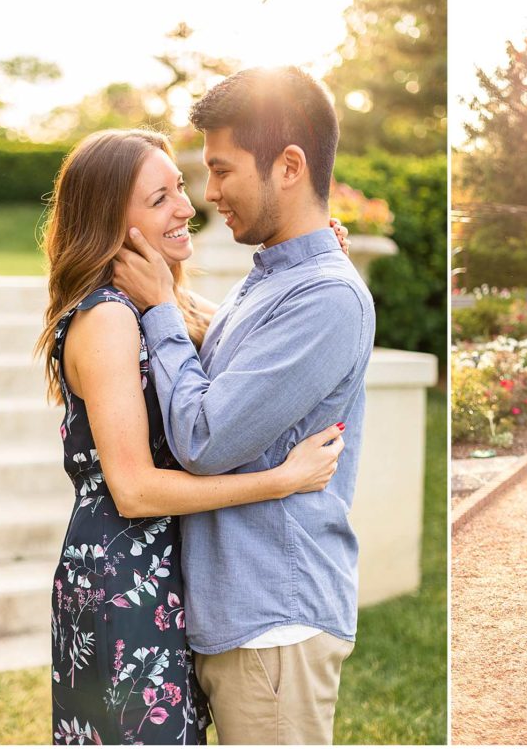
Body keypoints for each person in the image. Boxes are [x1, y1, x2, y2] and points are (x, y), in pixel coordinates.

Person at [36, 129, 351, 744]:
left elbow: (233, 329)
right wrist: (280, 480)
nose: (186, 206)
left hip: (165, 580)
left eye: (178, 188)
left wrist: (310, 250)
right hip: (123, 579)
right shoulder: (107, 320)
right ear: (111, 223)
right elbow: (132, 490)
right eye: (159, 199)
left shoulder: (156, 304)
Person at [113, 66, 376, 744]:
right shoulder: (275, 279)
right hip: (241, 615)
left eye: (222, 170)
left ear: (289, 166)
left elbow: (204, 436)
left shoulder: (324, 296)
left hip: (273, 622)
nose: (209, 194)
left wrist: (160, 308)